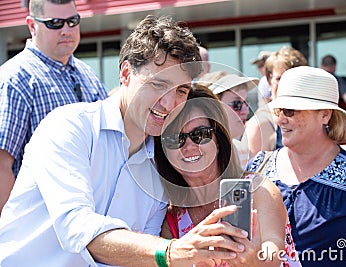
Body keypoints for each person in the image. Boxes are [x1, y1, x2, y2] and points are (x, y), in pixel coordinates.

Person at [0, 15, 249, 267]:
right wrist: (171, 252)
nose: (169, 103)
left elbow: (140, 256)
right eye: (157, 84)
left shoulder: (162, 163)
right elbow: (76, 226)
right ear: (126, 73)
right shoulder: (69, 126)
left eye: (181, 91)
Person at [247, 66, 346, 266]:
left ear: (325, 115)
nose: (281, 119)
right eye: (278, 110)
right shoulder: (258, 167)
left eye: (290, 111)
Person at [154, 84, 300, 267]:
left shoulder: (257, 189)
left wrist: (255, 260)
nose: (189, 146)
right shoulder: (171, 219)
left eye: (200, 134)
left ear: (218, 138)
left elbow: (273, 250)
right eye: (175, 138)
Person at [0, 0, 108, 214]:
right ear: (32, 25)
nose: (66, 30)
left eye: (72, 21)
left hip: (90, 218)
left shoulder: (88, 74)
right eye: (55, 23)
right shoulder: (15, 78)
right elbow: (2, 166)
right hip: (40, 225)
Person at [243, 46, 308, 158]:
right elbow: (252, 172)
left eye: (292, 79)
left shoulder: (312, 114)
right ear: (269, 80)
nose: (285, 84)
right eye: (279, 79)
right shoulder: (261, 123)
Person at [208, 73, 259, 168]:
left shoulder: (240, 150)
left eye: (246, 103)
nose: (246, 111)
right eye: (236, 104)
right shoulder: (201, 152)